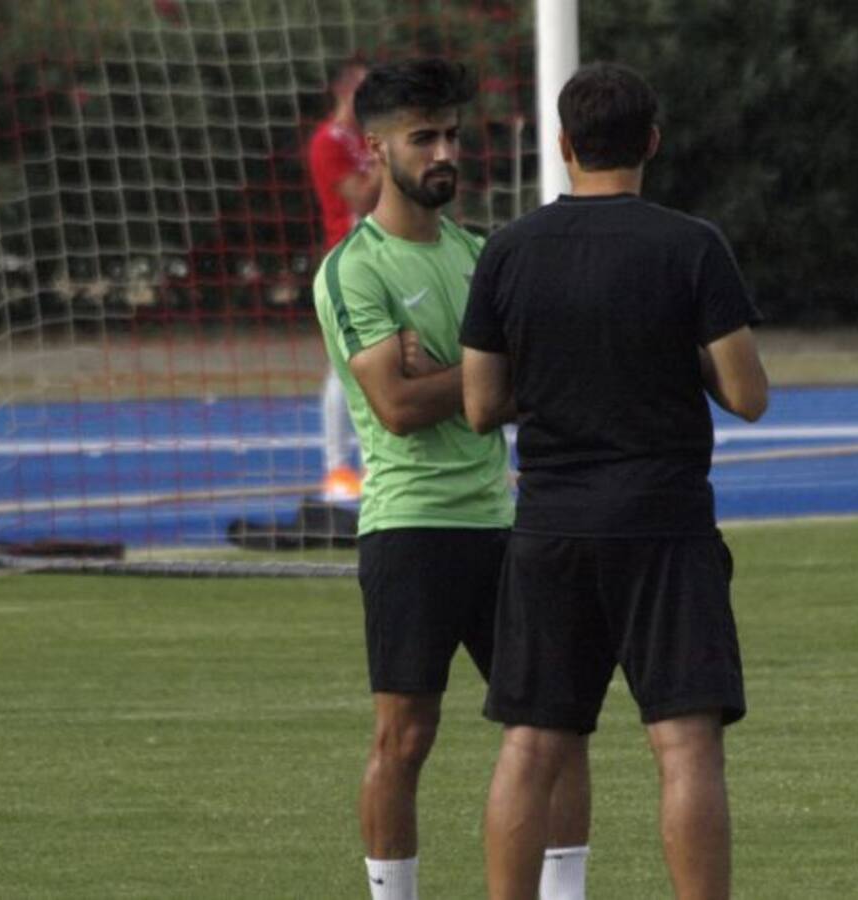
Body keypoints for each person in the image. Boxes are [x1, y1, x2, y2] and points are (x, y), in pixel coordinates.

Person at [460, 62, 769, 900]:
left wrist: (563, 380)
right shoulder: (692, 245)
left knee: (531, 743)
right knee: (685, 744)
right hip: (663, 523)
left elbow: (481, 405)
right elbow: (747, 395)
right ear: (652, 143)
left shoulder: (507, 250)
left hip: (552, 522)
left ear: (564, 144)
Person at [312, 58, 592, 900]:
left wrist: (458, 375)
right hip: (412, 528)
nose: (443, 153)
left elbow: (539, 378)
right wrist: (486, 377)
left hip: (505, 526)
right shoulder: (355, 269)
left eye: (451, 136)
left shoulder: (485, 255)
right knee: (404, 738)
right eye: (422, 138)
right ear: (376, 148)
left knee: (557, 726)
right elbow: (398, 407)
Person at [308, 59, 381, 502]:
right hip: (349, 259)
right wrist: (391, 156)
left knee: (383, 361)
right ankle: (336, 467)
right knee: (347, 362)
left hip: (383, 256)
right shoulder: (329, 141)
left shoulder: (364, 139)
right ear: (343, 90)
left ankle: (375, 463)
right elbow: (361, 196)